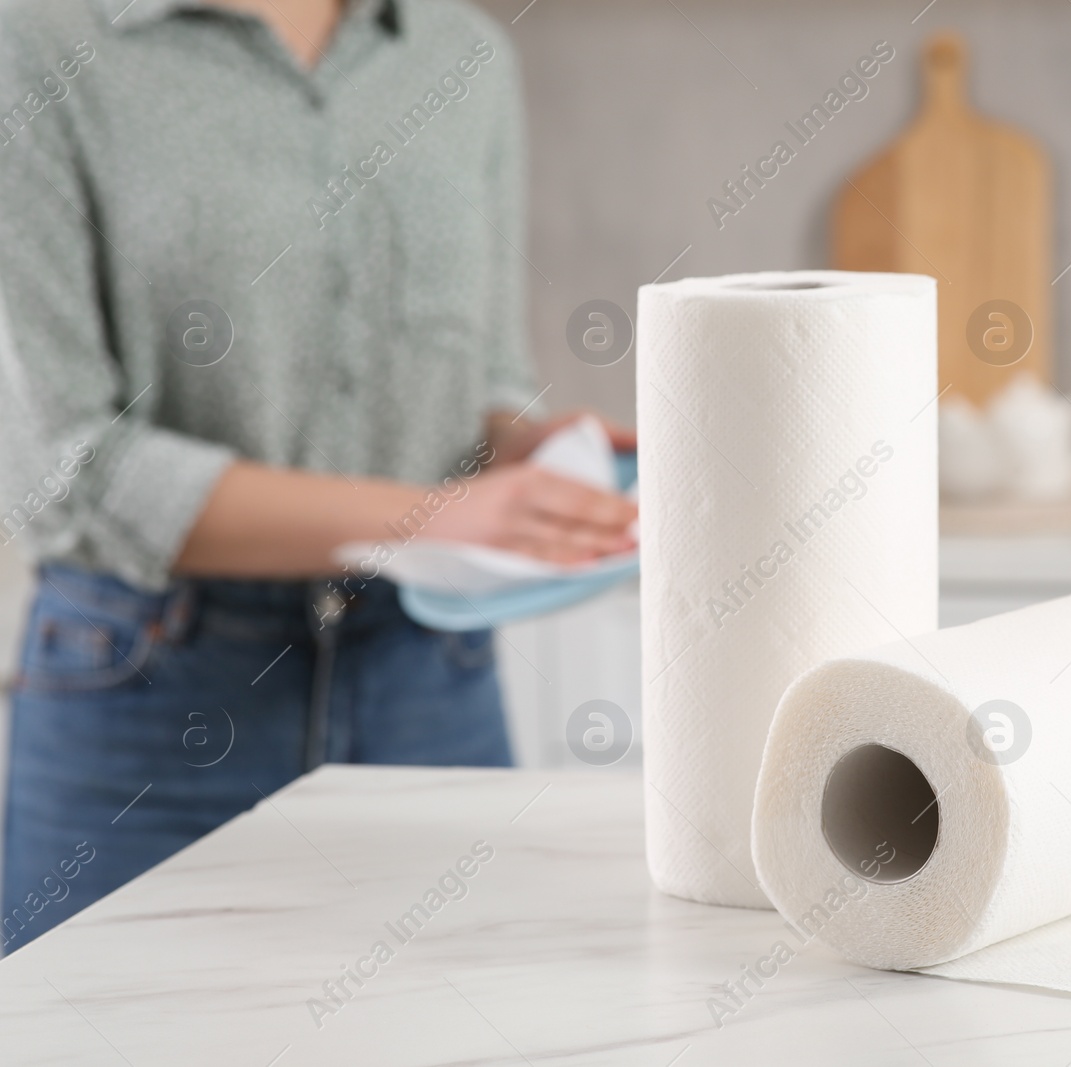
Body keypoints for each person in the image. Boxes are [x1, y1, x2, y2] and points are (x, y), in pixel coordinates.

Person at [0, 0, 636, 953]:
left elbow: (483, 376)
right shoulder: (39, 41)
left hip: (429, 677)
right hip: (151, 692)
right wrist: (438, 517)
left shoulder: (462, 56)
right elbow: (63, 467)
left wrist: (525, 457)